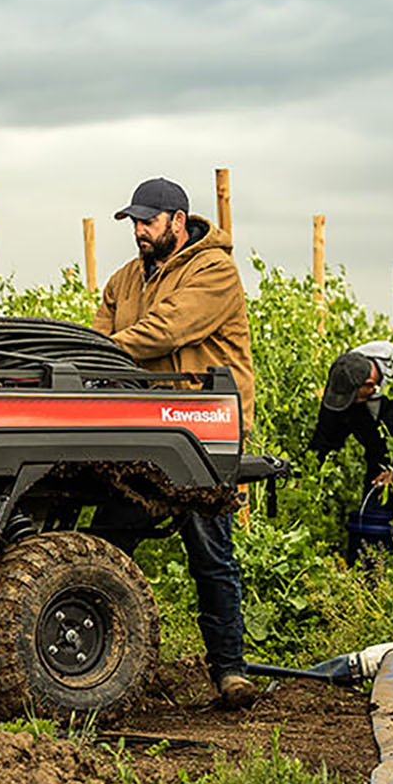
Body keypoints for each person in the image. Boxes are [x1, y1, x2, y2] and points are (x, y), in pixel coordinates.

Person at [88, 176, 257, 706]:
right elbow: (98, 334)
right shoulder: (124, 280)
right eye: (134, 222)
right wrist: (86, 356)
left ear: (177, 223)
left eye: (147, 221)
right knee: (110, 543)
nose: (138, 231)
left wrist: (103, 354)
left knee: (210, 552)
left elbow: (166, 330)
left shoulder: (215, 270)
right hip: (143, 432)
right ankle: (96, 658)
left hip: (202, 429)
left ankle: (230, 671)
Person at [309, 341, 393, 495]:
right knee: (370, 515)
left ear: (370, 385)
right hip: (376, 473)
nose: (347, 404)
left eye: (352, 398)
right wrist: (304, 473)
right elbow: (325, 437)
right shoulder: (343, 380)